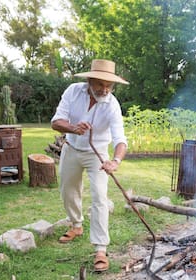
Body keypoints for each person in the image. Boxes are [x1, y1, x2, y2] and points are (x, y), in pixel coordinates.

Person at [51, 59, 129, 272]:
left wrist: (116, 161)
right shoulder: (73, 91)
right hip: (71, 147)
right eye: (100, 84)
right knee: (68, 190)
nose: (104, 89)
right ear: (89, 80)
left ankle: (100, 249)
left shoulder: (112, 105)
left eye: (109, 85)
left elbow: (120, 139)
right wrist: (73, 128)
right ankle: (76, 225)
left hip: (98, 155)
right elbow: (56, 122)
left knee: (100, 197)